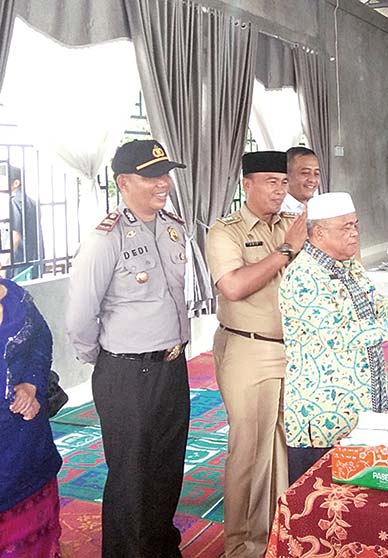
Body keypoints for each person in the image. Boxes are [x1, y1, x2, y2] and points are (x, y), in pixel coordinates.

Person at [66, 139, 190, 558]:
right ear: (123, 182)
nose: (164, 184)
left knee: (166, 470)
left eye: (166, 174)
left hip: (173, 367)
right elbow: (80, 316)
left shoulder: (175, 228)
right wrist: (104, 361)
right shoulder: (106, 238)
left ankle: (161, 547)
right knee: (131, 478)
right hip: (125, 374)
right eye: (152, 176)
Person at [279, 192, 388, 483]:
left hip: (362, 405)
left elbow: (376, 307)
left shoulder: (348, 266)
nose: (354, 234)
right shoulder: (304, 276)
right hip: (323, 412)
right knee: (318, 499)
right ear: (319, 233)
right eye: (345, 227)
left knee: (358, 498)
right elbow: (336, 336)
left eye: (356, 225)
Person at [205, 150, 306, 558]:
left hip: (293, 351)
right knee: (249, 451)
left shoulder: (292, 225)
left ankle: (277, 537)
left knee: (284, 448)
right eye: (270, 183)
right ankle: (242, 548)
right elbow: (233, 286)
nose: (280, 191)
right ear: (247, 185)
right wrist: (285, 250)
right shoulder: (224, 231)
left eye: (284, 183)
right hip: (249, 348)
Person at [0, 279, 61, 557]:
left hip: (27, 435)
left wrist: (31, 385)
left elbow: (40, 340)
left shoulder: (15, 296)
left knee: (38, 537)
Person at [8, 165, 44, 280]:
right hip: (35, 258)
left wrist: (5, 262)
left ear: (16, 183)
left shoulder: (14, 202)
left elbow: (15, 236)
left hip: (20, 261)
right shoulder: (32, 202)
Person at [280, 146, 320, 214]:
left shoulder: (320, 208)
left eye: (316, 173)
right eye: (305, 173)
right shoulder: (277, 210)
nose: (312, 180)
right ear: (286, 174)